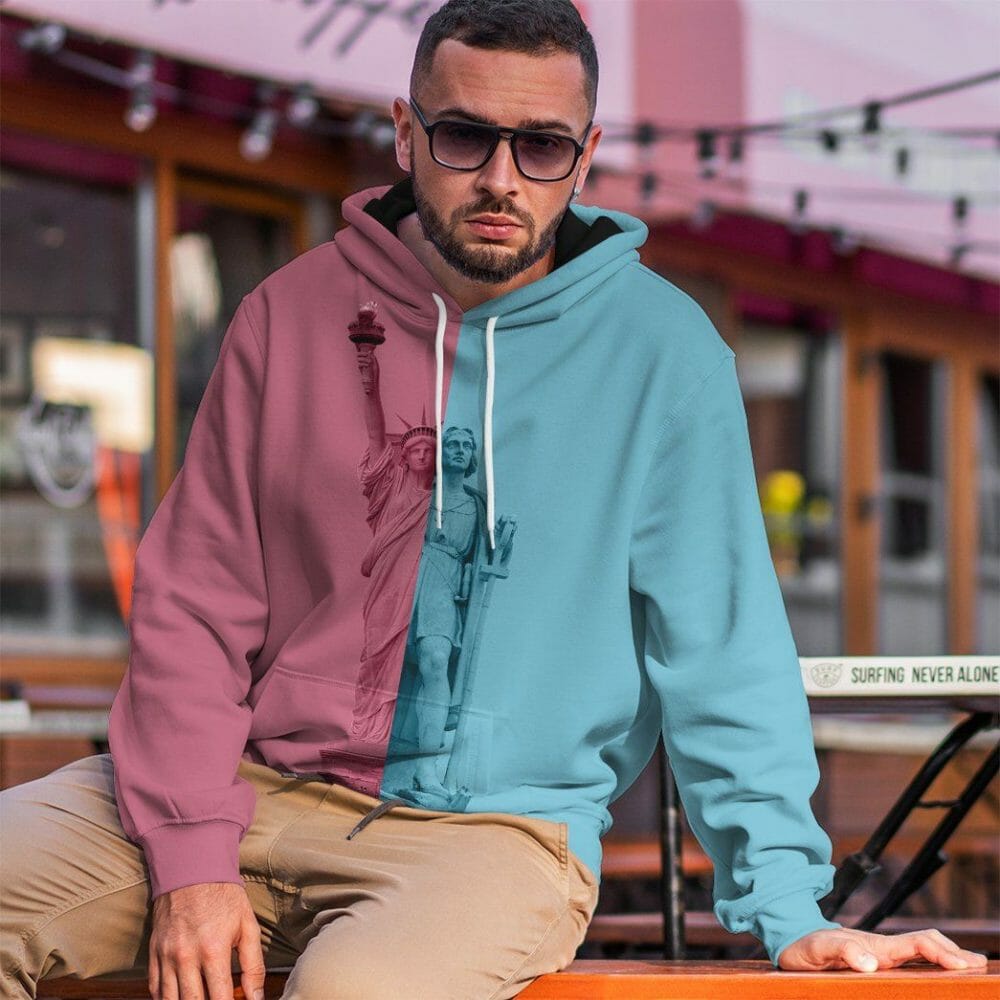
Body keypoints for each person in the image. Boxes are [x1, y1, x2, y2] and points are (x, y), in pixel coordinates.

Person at [0, 2, 987, 998]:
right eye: (465, 136)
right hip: (244, 783)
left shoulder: (662, 353)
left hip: (496, 833)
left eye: (542, 146)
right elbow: (195, 604)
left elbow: (722, 646)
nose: (501, 179)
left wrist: (787, 906)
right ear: (405, 133)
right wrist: (192, 859)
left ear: (585, 155)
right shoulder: (287, 315)